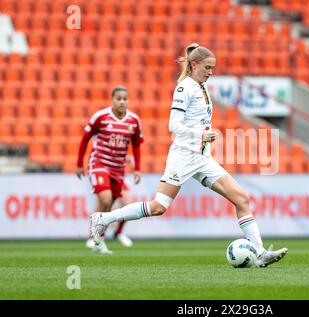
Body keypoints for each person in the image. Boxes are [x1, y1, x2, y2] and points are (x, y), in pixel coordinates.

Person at [90, 43, 287, 267]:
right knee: (158, 207)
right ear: (194, 65)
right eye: (208, 67)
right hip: (183, 156)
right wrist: (201, 135)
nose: (211, 72)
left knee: (241, 198)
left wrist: (202, 140)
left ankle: (260, 253)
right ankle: (103, 219)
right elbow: (173, 125)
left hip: (202, 158)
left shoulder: (201, 87)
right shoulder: (185, 88)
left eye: (213, 68)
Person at [77, 86, 143, 254]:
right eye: (118, 98)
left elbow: (136, 145)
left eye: (125, 99)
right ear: (112, 100)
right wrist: (79, 164)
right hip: (99, 163)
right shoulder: (101, 117)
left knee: (108, 205)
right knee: (105, 199)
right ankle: (94, 237)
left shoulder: (133, 121)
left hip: (118, 169)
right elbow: (85, 138)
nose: (122, 102)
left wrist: (137, 169)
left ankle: (99, 239)